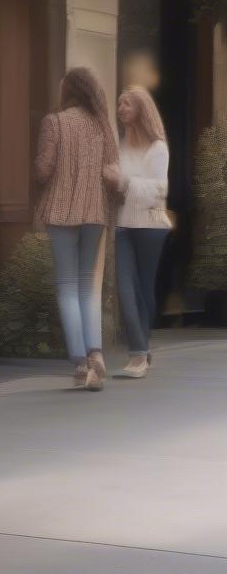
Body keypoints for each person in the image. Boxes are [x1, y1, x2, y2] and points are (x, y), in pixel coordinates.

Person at [35, 67, 118, 391]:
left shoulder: (54, 122)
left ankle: (81, 362)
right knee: (87, 286)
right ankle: (96, 352)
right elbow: (113, 171)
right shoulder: (102, 127)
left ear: (68, 90)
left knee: (67, 287)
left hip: (60, 212)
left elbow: (43, 170)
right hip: (95, 212)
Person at [106, 86, 171, 379]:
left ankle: (142, 347)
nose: (120, 108)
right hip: (123, 226)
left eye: (126, 104)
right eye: (119, 104)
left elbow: (159, 191)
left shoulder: (157, 148)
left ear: (141, 110)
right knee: (125, 289)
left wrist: (122, 182)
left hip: (150, 227)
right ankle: (137, 353)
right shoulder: (121, 145)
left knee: (144, 292)